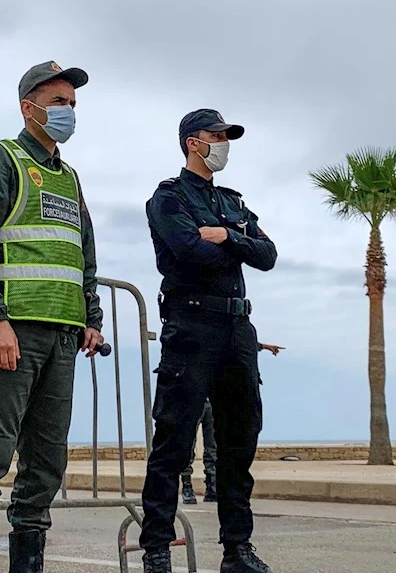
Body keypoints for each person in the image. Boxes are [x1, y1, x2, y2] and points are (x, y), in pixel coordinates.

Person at [0, 60, 106, 573]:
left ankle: (28, 562)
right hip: (12, 333)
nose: (69, 112)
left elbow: (83, 254)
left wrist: (93, 316)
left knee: (46, 464)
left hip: (63, 339)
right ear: (29, 107)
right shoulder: (3, 159)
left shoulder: (69, 177)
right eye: (59, 102)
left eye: (73, 105)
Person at [138, 109, 277, 573]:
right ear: (192, 142)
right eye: (216, 135)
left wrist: (228, 235)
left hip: (238, 330)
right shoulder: (168, 198)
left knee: (239, 443)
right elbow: (189, 251)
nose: (224, 143)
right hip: (192, 327)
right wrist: (237, 242)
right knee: (174, 440)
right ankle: (157, 548)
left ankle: (237, 550)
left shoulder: (233, 203)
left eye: (227, 136)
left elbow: (269, 255)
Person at [180, 343, 284, 505]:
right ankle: (187, 487)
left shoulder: (219, 344)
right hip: (193, 400)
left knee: (212, 448)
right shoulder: (194, 342)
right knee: (188, 447)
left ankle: (212, 488)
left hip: (212, 401)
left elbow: (237, 344)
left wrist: (264, 346)